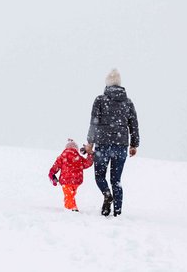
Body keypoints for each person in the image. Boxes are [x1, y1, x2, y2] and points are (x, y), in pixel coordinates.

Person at [84, 69, 139, 217]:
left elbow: (94, 123)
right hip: (121, 145)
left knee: (100, 176)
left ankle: (107, 194)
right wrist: (134, 144)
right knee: (116, 180)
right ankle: (118, 212)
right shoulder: (128, 102)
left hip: (102, 143)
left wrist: (90, 142)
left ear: (107, 84)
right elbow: (133, 124)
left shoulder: (100, 100)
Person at [48, 138, 94, 212]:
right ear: (76, 148)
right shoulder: (78, 157)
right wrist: (90, 154)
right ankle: (69, 207)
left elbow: (55, 167)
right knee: (71, 194)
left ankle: (72, 208)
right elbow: (88, 163)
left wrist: (51, 173)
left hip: (66, 180)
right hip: (76, 180)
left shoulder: (62, 156)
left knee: (68, 194)